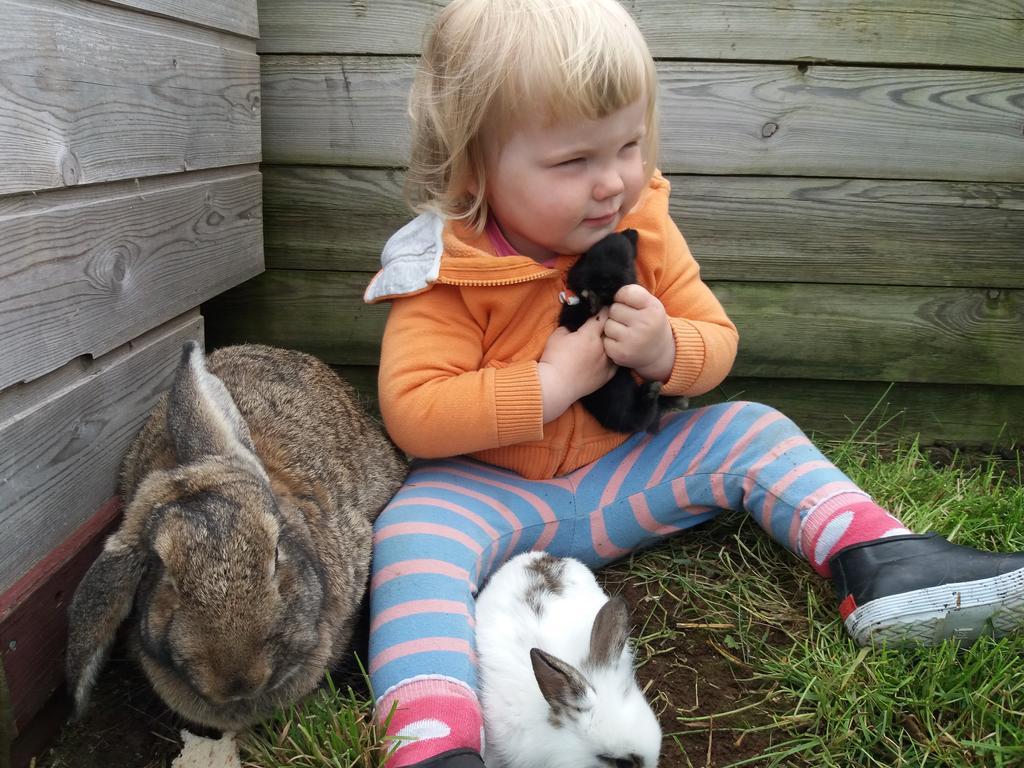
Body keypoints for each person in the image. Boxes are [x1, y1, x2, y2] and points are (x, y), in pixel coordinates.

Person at [361, 1, 1024, 766]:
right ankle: (437, 735)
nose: (612, 181)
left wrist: (666, 347)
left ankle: (883, 564)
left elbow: (718, 343)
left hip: (625, 478)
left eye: (630, 144)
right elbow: (414, 411)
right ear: (474, 164)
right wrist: (546, 384)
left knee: (751, 425)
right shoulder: (449, 269)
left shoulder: (642, 226)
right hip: (491, 496)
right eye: (574, 161)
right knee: (409, 535)